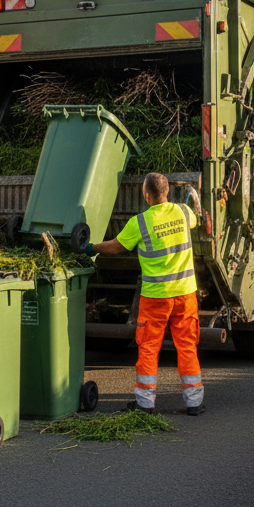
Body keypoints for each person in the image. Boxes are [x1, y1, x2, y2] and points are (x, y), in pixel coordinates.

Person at [86, 172, 205, 415]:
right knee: (187, 346)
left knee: (149, 348)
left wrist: (91, 248)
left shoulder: (140, 222)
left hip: (156, 297)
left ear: (146, 195)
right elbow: (195, 217)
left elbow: (116, 246)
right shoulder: (183, 212)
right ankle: (194, 403)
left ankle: (145, 404)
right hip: (185, 294)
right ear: (167, 191)